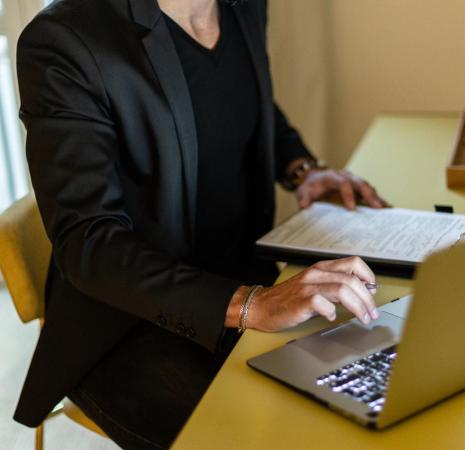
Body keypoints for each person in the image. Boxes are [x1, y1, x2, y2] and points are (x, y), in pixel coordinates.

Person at [14, 0, 388, 448]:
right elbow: (90, 243)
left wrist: (303, 168)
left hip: (252, 286)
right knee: (278, 438)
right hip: (131, 326)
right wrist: (251, 304)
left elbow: (245, 101)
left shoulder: (244, 6)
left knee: (370, 395)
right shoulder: (65, 39)